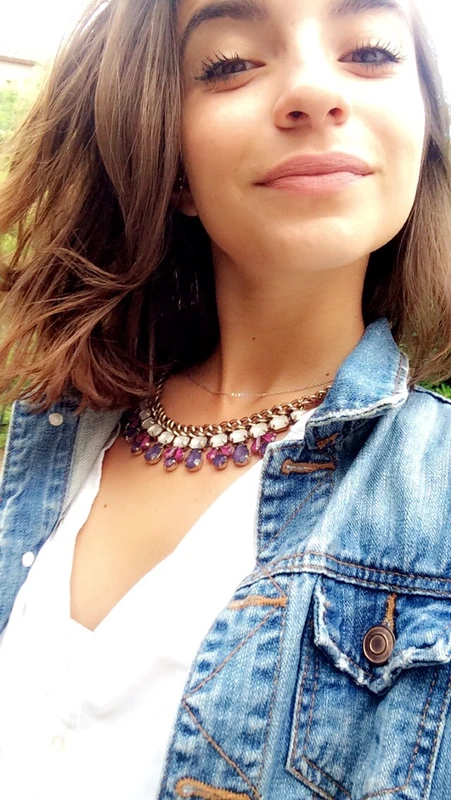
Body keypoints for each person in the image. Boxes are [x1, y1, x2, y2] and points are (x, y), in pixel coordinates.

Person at [0, 0, 451, 796]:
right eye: (230, 63)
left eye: (370, 51)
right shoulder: (58, 425)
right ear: (169, 158)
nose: (314, 91)